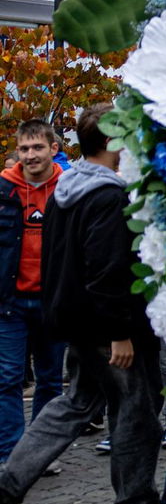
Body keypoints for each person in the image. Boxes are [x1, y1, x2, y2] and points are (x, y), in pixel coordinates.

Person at [0, 105, 166, 504]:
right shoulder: (106, 195)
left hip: (80, 319)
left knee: (75, 405)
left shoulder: (71, 186)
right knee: (136, 414)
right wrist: (119, 331)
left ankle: (10, 488)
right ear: (114, 142)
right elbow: (105, 268)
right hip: (108, 327)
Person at [0, 118, 67, 463]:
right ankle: (12, 454)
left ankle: (41, 454)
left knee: (50, 381)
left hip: (52, 301)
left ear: (53, 149)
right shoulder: (3, 189)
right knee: (7, 380)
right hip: (9, 302)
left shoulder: (68, 189)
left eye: (37, 147)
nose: (30, 155)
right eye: (24, 149)